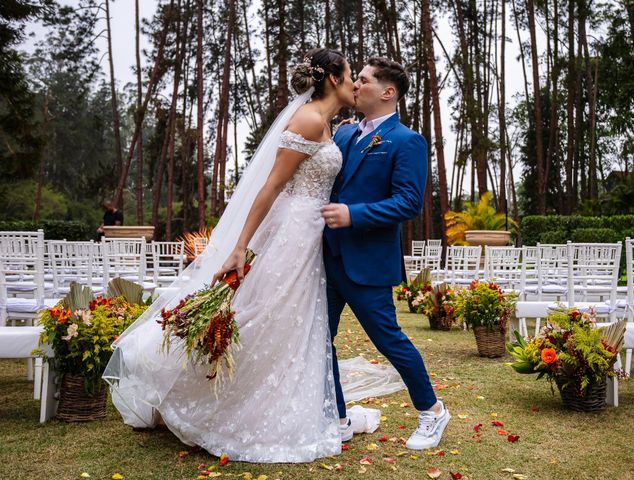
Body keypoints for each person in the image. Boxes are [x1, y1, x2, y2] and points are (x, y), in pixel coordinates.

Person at [103, 48, 356, 463]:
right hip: (292, 231)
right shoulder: (309, 119)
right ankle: (216, 400)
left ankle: (276, 400)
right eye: (349, 75)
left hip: (310, 232)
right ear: (331, 77)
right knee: (267, 316)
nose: (353, 83)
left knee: (288, 322)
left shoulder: (324, 122)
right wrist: (239, 247)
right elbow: (271, 187)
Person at [321, 57, 450, 450]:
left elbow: (410, 203)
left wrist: (353, 215)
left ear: (387, 92)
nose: (354, 85)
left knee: (389, 340)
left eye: (362, 80)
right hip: (327, 259)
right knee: (319, 341)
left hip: (368, 263)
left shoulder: (407, 141)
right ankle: (339, 418)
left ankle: (432, 411)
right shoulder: (343, 134)